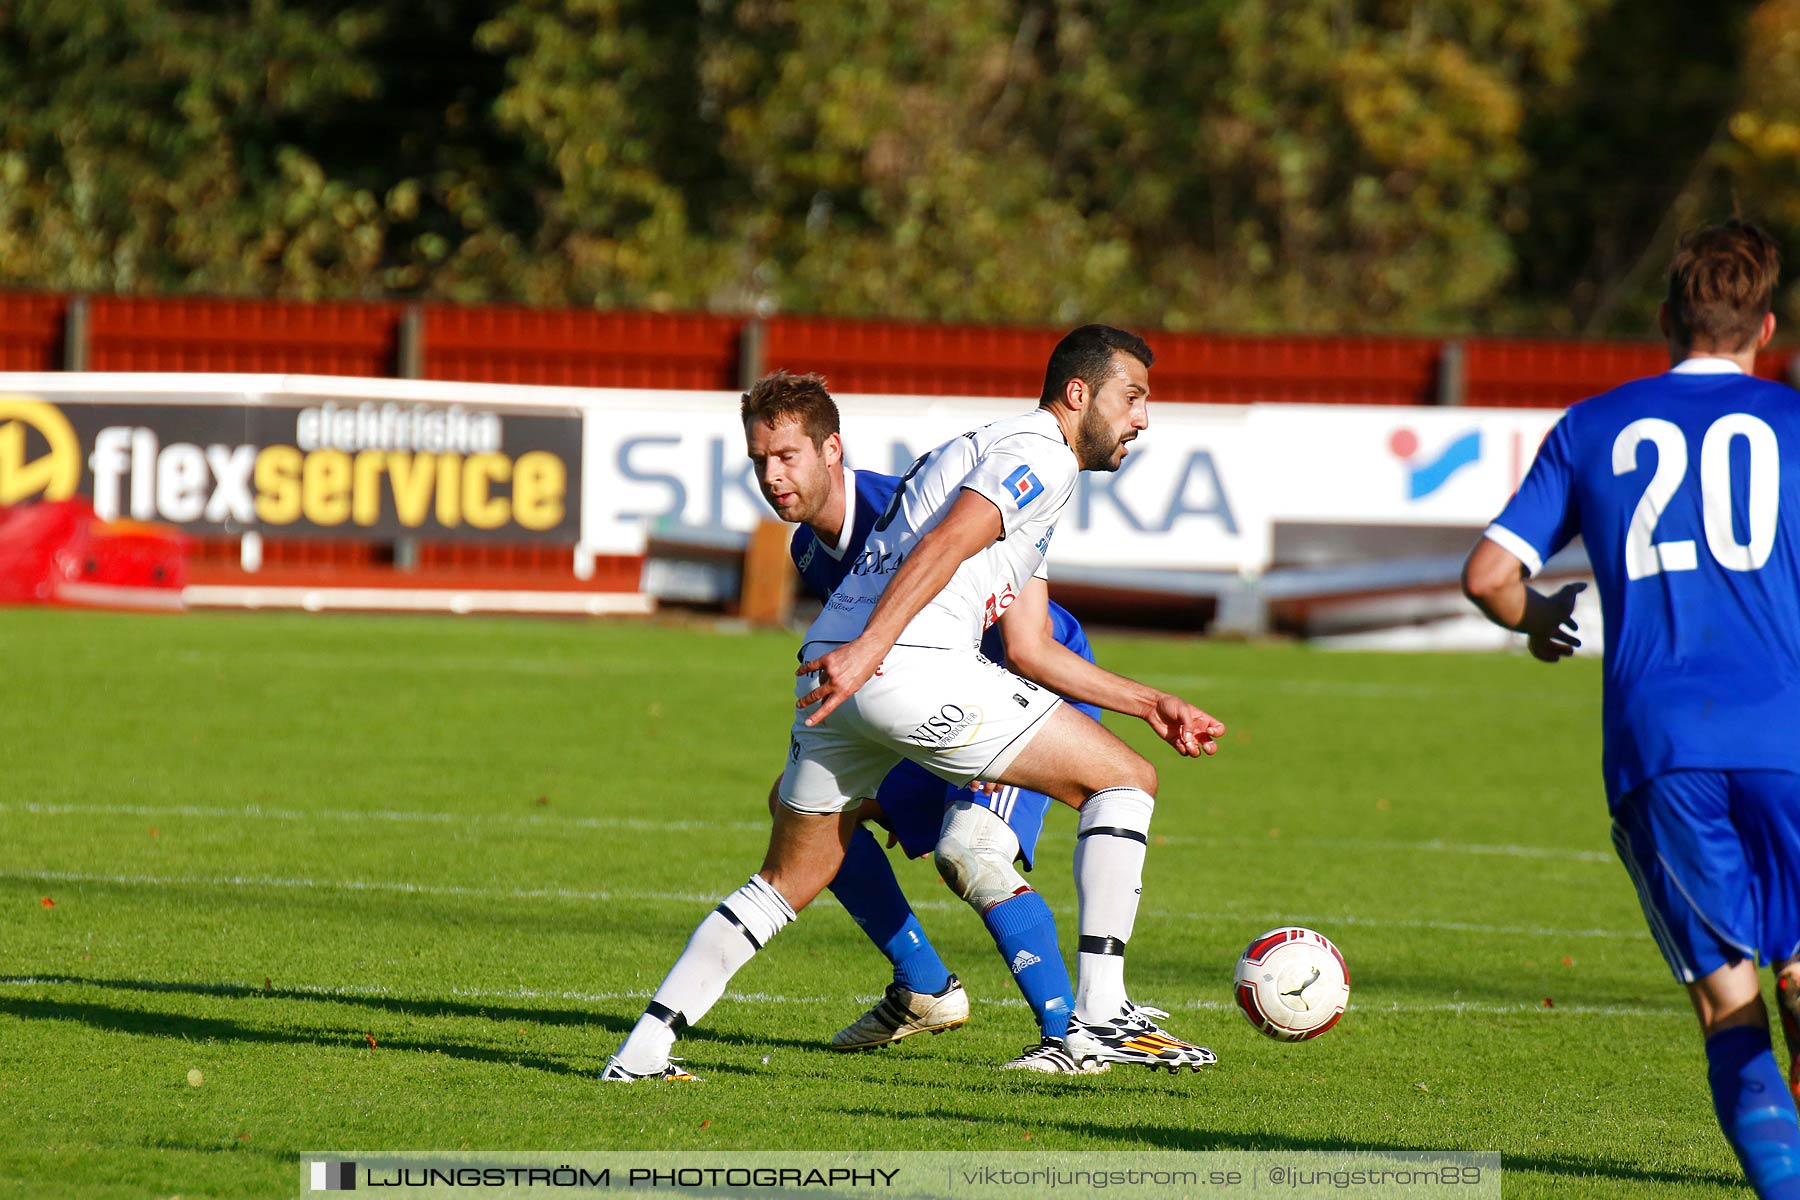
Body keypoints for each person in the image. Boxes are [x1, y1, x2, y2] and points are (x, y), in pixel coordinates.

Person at [605, 324, 1227, 1082]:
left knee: (787, 879)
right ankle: (1096, 1010)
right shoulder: (1040, 456)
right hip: (909, 665)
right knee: (1127, 782)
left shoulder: (986, 448)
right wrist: (874, 652)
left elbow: (1029, 647)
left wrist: (1150, 701)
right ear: (1079, 393)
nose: (1141, 418)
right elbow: (946, 548)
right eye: (1132, 398)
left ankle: (642, 1053)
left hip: (834, 674)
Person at [1462, 220, 1800, 1198]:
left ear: (1663, 321)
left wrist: (1542, 620)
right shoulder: (1791, 423)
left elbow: (1488, 576)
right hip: (1789, 735)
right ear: (1765, 329)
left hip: (1662, 745)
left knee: (1728, 1007)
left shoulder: (1595, 425)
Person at [740, 369, 1109, 1074]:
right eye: (760, 461)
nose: (772, 475)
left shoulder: (890, 506)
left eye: (785, 457)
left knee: (970, 852)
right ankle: (926, 987)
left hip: (1023, 679)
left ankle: (1072, 1038)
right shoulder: (808, 550)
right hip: (940, 694)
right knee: (808, 811)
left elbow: (1008, 622)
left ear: (830, 452)